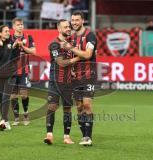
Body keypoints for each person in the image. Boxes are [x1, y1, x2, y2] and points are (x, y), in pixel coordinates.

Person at [61, 10, 97, 146]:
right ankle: (84, 136)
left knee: (87, 104)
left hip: (89, 75)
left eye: (77, 20)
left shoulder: (90, 35)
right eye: (73, 20)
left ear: (83, 20)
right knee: (79, 107)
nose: (74, 23)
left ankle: (88, 137)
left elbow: (88, 55)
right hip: (76, 76)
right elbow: (69, 58)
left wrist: (71, 48)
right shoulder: (71, 37)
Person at [43, 19, 80, 145]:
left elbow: (69, 61)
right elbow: (60, 62)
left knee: (67, 109)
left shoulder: (71, 43)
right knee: (52, 107)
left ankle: (66, 136)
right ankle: (49, 135)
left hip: (68, 81)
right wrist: (78, 58)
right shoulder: (54, 44)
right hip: (55, 81)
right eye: (65, 27)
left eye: (69, 27)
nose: (68, 28)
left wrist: (74, 69)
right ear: (59, 29)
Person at [0, 25, 18, 131]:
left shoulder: (12, 43)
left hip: (11, 74)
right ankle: (6, 121)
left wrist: (15, 48)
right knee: (1, 99)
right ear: (0, 33)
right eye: (5, 31)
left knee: (6, 97)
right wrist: (1, 47)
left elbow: (15, 58)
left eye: (8, 31)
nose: (8, 32)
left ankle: (2, 120)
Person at [10, 17, 36, 126]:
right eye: (18, 25)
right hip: (11, 70)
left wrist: (23, 46)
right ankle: (16, 117)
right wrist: (14, 46)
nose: (20, 26)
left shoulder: (28, 37)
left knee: (24, 94)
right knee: (13, 95)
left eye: (21, 24)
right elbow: (6, 52)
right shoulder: (9, 38)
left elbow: (34, 51)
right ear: (13, 27)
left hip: (24, 69)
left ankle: (25, 113)